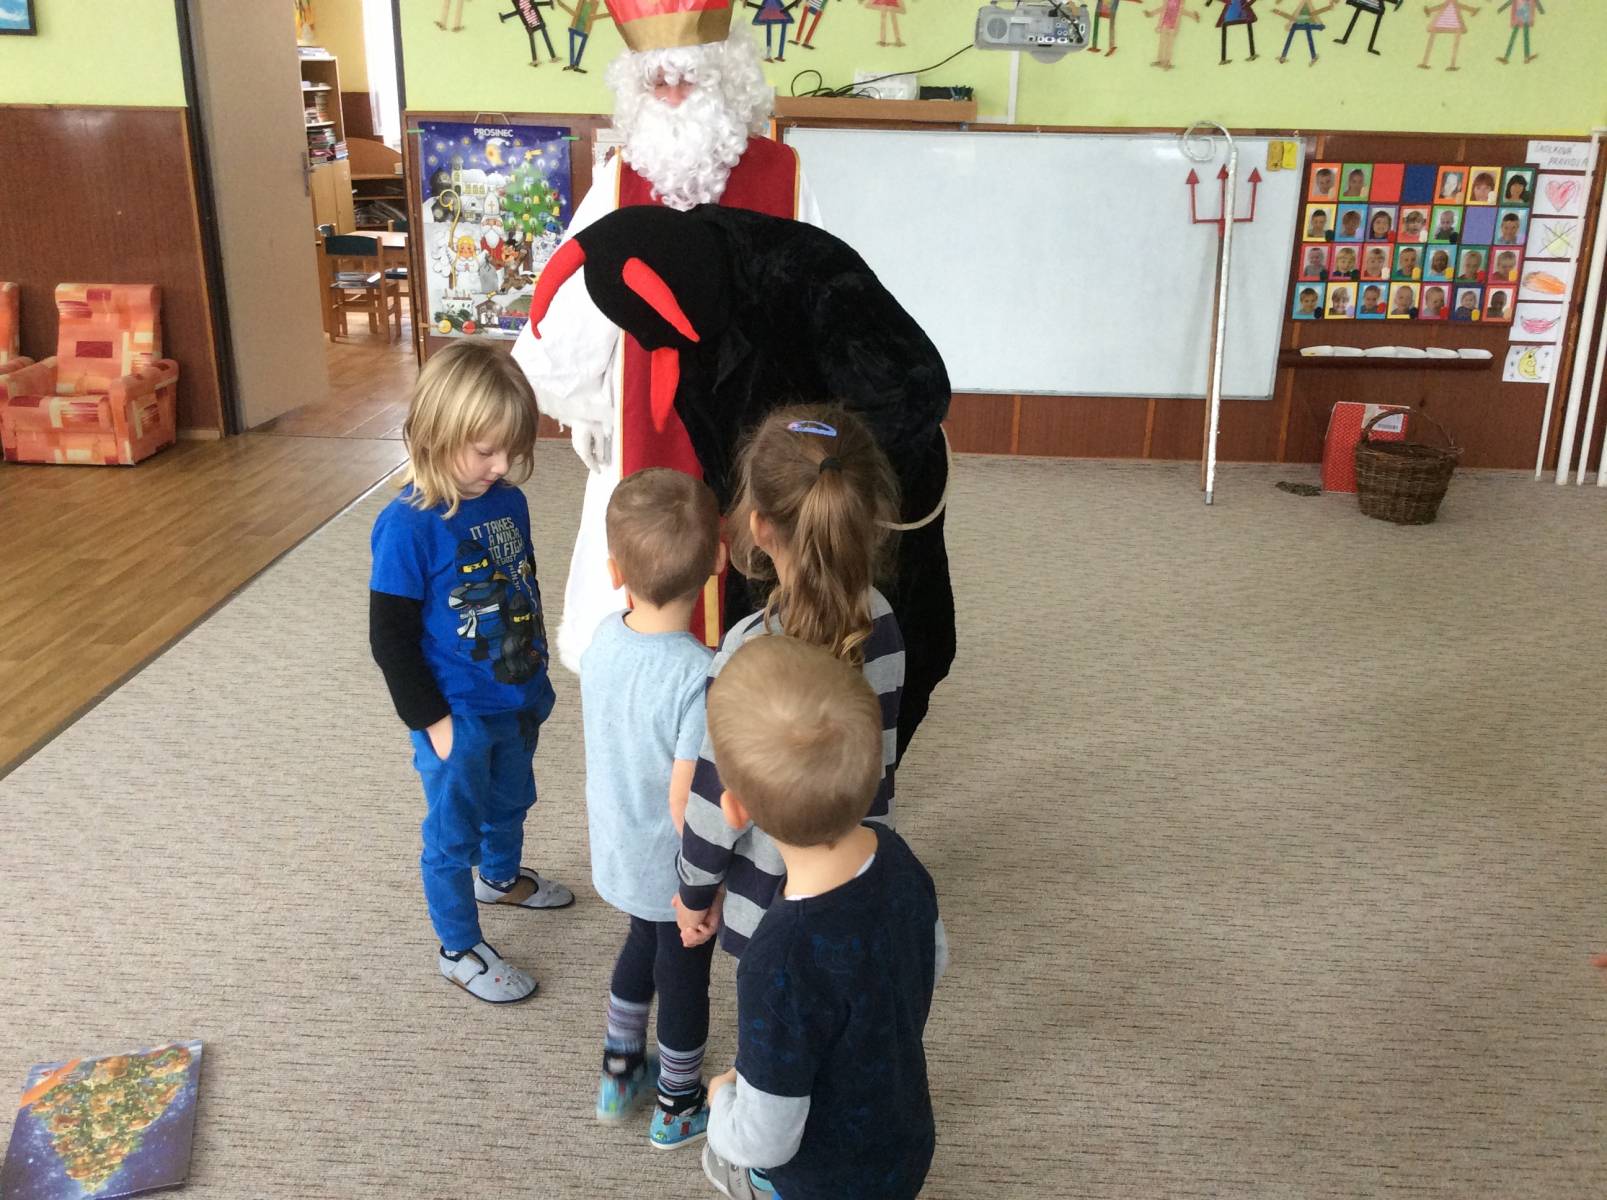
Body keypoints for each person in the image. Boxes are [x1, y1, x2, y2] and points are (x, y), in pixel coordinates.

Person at [524, 205, 955, 761]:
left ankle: (852, 774)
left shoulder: (808, 275)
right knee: (762, 671)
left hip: (860, 500)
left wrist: (820, 492)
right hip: (765, 507)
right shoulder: (687, 308)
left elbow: (914, 394)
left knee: (893, 649)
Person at [511, 0, 824, 676]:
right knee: (652, 543)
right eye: (659, 81)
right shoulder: (619, 180)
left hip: (755, 408)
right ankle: (648, 682)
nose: (675, 95)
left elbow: (824, 299)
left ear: (727, 77)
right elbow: (573, 307)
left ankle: (762, 681)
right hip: (645, 411)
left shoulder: (785, 175)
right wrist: (589, 407)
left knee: (763, 553)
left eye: (691, 78)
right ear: (637, 88)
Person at [697, 635, 947, 1200]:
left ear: (734, 808)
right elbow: (934, 961)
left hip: (823, 1181)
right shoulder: (899, 857)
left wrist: (721, 1102)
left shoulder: (778, 961)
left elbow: (764, 1140)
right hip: (906, 1138)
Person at [369, 342, 573, 1006]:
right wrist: (433, 722)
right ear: (438, 434)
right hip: (455, 714)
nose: (502, 465)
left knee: (513, 800)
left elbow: (522, 588)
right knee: (452, 835)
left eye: (511, 450)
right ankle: (457, 947)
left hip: (518, 693)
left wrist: (536, 678)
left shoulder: (507, 501)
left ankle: (500, 879)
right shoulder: (406, 526)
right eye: (486, 451)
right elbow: (390, 641)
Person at [673, 406, 906, 963]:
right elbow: (880, 761)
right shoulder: (883, 621)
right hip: (861, 874)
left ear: (758, 527)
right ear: (869, 520)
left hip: (768, 908)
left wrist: (694, 892)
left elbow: (714, 799)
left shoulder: (745, 651)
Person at [583, 468, 724, 1146]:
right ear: (718, 561)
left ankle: (618, 1075)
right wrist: (705, 886)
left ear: (615, 571)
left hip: (617, 848)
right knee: (683, 974)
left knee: (640, 944)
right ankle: (677, 1103)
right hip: (670, 868)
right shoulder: (700, 675)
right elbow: (684, 804)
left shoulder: (602, 640)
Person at [1148, 0, 1201, 70]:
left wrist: (1194, 16)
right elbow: (1162, 8)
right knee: (1162, 42)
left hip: (1173, 27)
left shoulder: (1180, 4)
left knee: (1169, 44)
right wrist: (1151, 13)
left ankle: (1167, 62)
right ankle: (1160, 61)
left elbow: (1183, 11)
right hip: (1165, 24)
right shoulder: (1168, 2)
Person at [1495, 0, 1543, 65]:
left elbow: (1536, 2)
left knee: (1521, 37)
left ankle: (1523, 56)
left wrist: (1501, 9)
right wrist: (1541, 10)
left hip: (1523, 18)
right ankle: (1508, 57)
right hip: (1520, 17)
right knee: (1519, 36)